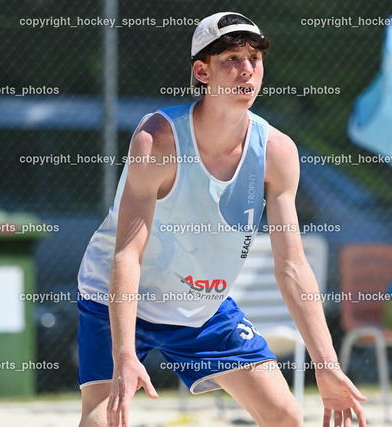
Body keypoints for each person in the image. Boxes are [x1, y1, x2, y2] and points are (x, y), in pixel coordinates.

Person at [76, 12, 367, 427]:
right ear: (202, 70)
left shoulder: (276, 152)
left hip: (201, 307)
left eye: (255, 58)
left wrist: (327, 364)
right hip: (119, 296)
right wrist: (124, 357)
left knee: (285, 415)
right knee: (104, 418)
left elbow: (292, 265)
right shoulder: (158, 139)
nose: (246, 69)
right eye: (231, 58)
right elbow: (127, 254)